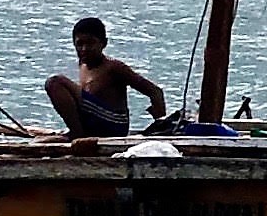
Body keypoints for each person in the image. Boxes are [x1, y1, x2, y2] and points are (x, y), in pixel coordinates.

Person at [43, 15, 172, 137]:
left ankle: (77, 135)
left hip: (114, 125)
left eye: (90, 43)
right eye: (79, 44)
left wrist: (160, 125)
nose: (84, 49)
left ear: (103, 43)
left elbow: (155, 92)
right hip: (94, 123)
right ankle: (76, 133)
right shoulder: (82, 65)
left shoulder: (114, 67)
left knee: (55, 82)